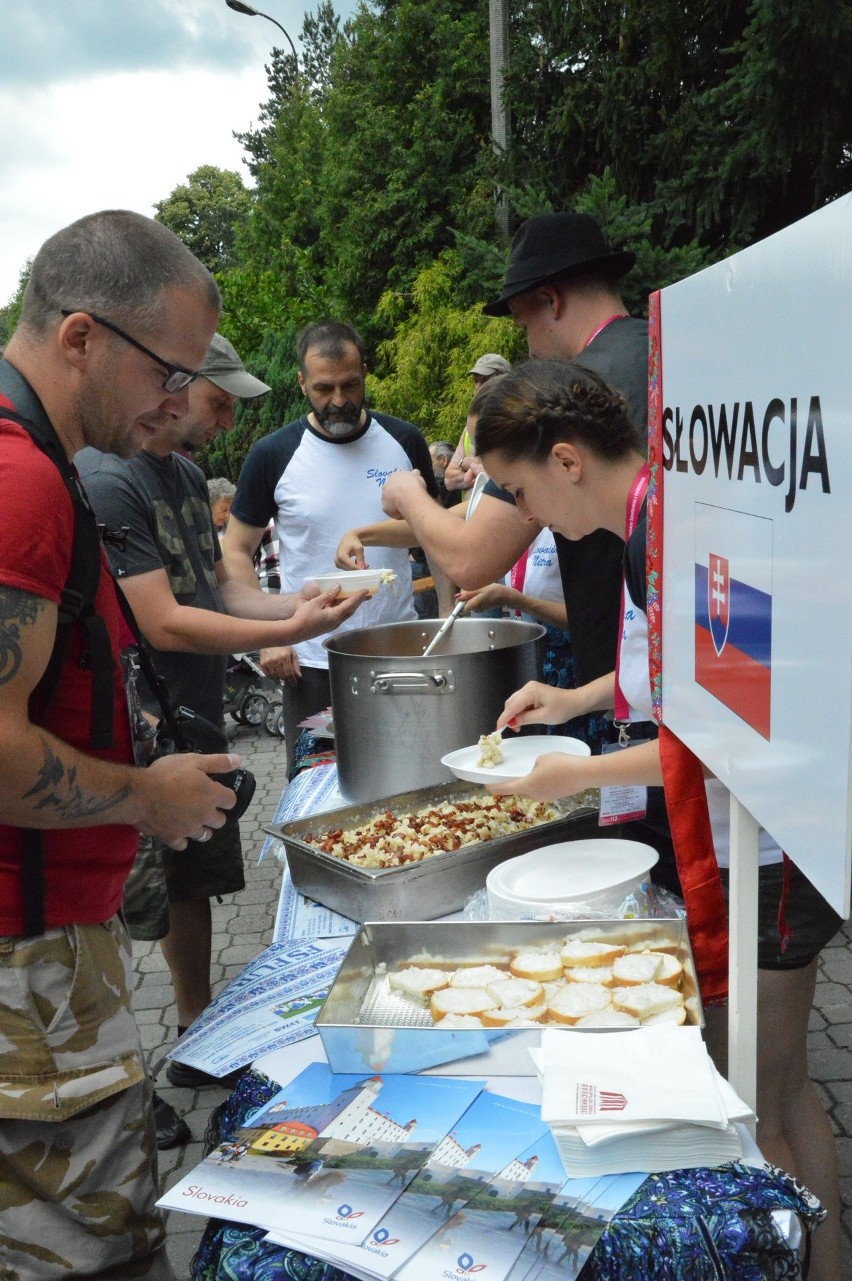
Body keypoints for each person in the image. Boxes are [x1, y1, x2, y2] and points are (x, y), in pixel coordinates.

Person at [474, 359, 843, 1281]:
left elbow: (725, 732)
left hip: (768, 851)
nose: (530, 515)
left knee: (760, 1095)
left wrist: (581, 769)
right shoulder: (657, 514)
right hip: (749, 839)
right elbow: (671, 681)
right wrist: (571, 698)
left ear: (566, 459)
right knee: (779, 1084)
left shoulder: (668, 529)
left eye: (521, 491)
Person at [0, 209, 242, 1280]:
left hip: (42, 942)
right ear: (82, 338)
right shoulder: (23, 485)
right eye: (168, 371)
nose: (180, 403)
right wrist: (145, 796)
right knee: (93, 1253)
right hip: (30, 958)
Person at [78, 333, 366, 1122]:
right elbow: (164, 620)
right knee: (126, 905)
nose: (229, 414)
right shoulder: (108, 479)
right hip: (134, 740)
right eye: (219, 397)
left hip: (195, 722)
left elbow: (217, 591)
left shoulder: (179, 474)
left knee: (196, 884)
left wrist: (297, 609)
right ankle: (121, 1089)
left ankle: (196, 1028)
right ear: (172, 386)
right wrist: (277, 635)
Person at [221, 321, 444, 765]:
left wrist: (443, 620)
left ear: (365, 374)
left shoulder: (404, 440)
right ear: (302, 382)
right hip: (311, 662)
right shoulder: (274, 453)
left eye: (350, 385)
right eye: (324, 388)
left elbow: (435, 536)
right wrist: (271, 637)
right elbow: (235, 550)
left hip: (398, 651)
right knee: (315, 787)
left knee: (408, 786)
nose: (339, 401)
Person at [443, 352, 511, 493]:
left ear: (504, 380)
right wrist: (471, 466)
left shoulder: (515, 420)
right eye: (476, 381)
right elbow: (449, 480)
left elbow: (506, 474)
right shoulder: (470, 426)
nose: (478, 387)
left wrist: (467, 465)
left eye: (484, 380)